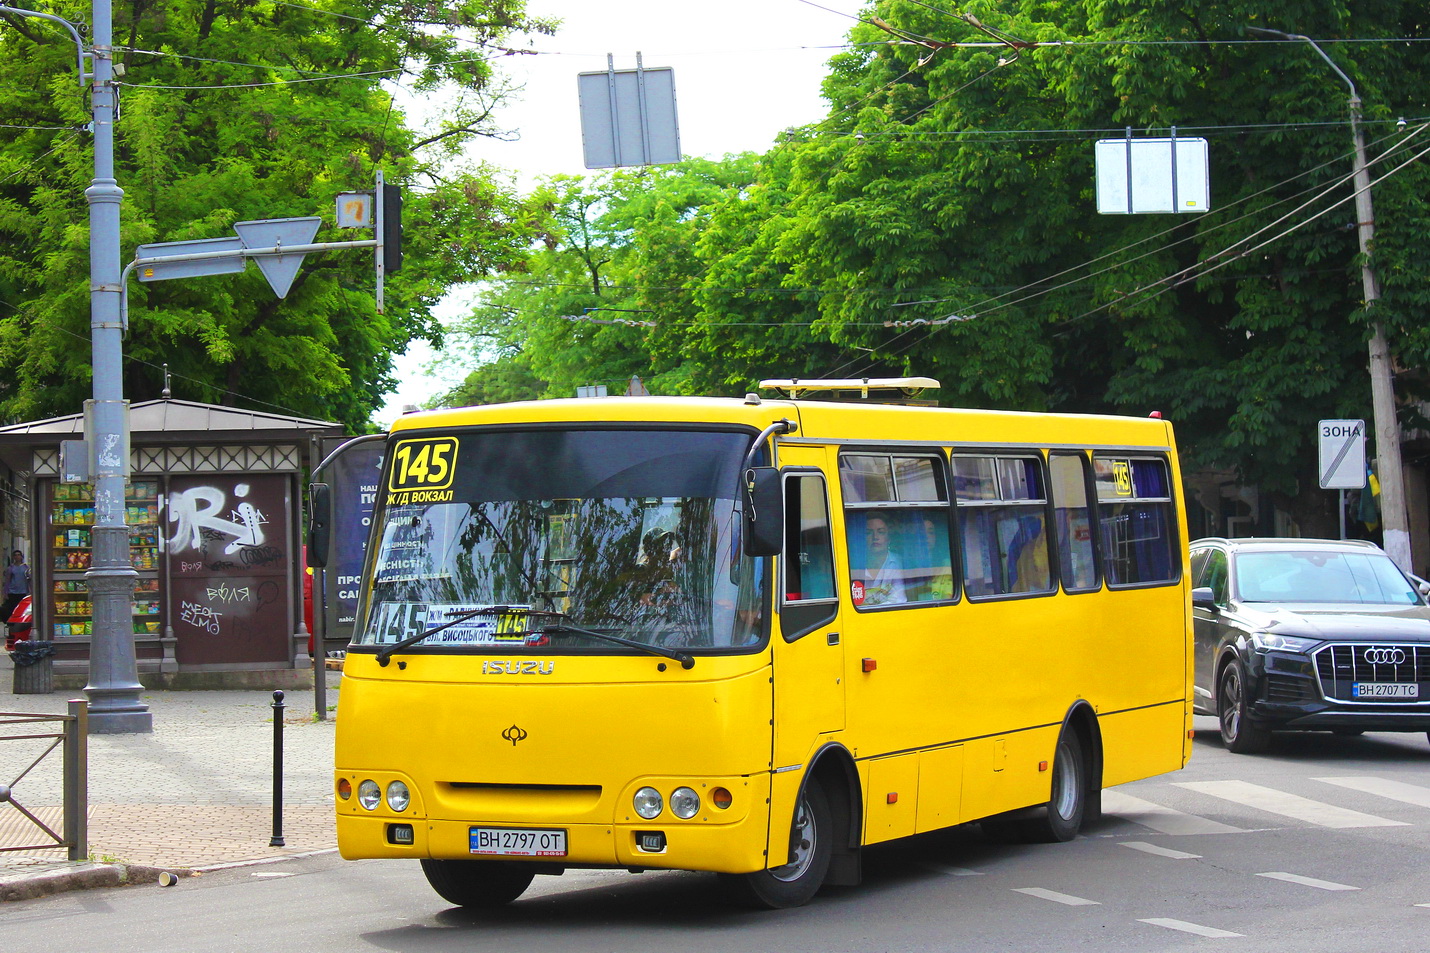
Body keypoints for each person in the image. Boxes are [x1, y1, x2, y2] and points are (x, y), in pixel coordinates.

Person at [861, 516, 906, 606]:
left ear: (889, 538)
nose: (875, 537)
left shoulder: (899, 563)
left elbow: (898, 601)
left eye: (881, 532)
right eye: (869, 533)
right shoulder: (854, 564)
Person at [2, 549, 30, 626]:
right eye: (15, 555)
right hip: (12, 592)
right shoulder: (11, 568)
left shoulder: (26, 567)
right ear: (13, 557)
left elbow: (29, 580)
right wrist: (5, 592)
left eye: (19, 555)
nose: (17, 557)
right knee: (11, 609)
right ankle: (11, 623)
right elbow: (7, 581)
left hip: (23, 592)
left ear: (21, 556)